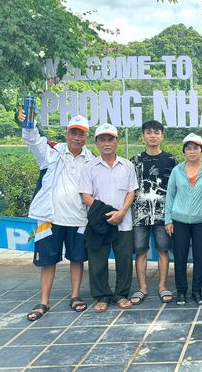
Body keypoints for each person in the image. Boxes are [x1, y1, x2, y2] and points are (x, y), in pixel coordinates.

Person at [21, 111, 94, 321]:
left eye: (81, 134)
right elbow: (33, 140)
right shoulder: (51, 152)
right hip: (49, 218)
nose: (77, 138)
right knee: (47, 260)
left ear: (87, 137)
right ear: (66, 133)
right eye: (73, 133)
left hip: (79, 218)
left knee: (77, 259)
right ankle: (43, 301)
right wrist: (29, 123)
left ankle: (75, 296)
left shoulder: (91, 160)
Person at [79, 123, 138, 312]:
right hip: (99, 223)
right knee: (97, 260)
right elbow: (86, 195)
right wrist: (106, 213)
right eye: (102, 139)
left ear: (116, 141)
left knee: (124, 260)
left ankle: (121, 294)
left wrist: (121, 212)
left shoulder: (127, 165)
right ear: (96, 142)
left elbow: (131, 191)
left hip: (123, 221)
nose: (106, 143)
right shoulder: (89, 167)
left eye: (110, 139)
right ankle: (101, 296)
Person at [129, 120, 177, 305]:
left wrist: (171, 215)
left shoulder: (171, 160)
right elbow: (129, 188)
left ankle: (162, 286)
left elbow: (175, 189)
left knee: (163, 249)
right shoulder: (135, 160)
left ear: (162, 136)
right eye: (148, 132)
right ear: (143, 136)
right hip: (140, 214)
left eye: (156, 132)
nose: (152, 136)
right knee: (140, 251)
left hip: (163, 214)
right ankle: (142, 288)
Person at [164, 133, 202, 306]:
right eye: (189, 148)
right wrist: (168, 219)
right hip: (179, 220)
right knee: (180, 257)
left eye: (196, 148)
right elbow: (170, 196)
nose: (192, 151)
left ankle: (197, 291)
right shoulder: (177, 171)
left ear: (201, 151)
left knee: (200, 257)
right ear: (184, 151)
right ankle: (181, 291)